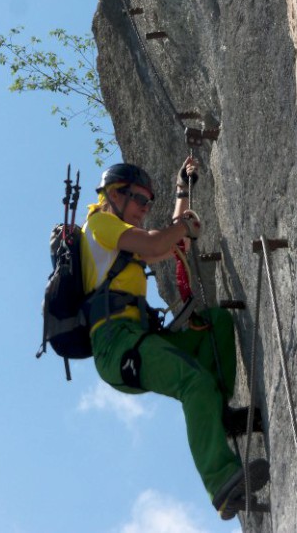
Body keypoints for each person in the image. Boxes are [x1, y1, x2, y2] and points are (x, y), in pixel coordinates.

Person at [81, 160, 270, 521]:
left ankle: (219, 413)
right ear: (115, 195)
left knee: (215, 323)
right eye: (140, 200)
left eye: (150, 202)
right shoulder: (100, 223)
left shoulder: (118, 238)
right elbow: (156, 241)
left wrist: (183, 189)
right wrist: (181, 226)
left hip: (137, 338)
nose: (145, 208)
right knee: (192, 381)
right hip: (116, 346)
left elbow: (169, 242)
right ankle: (221, 483)